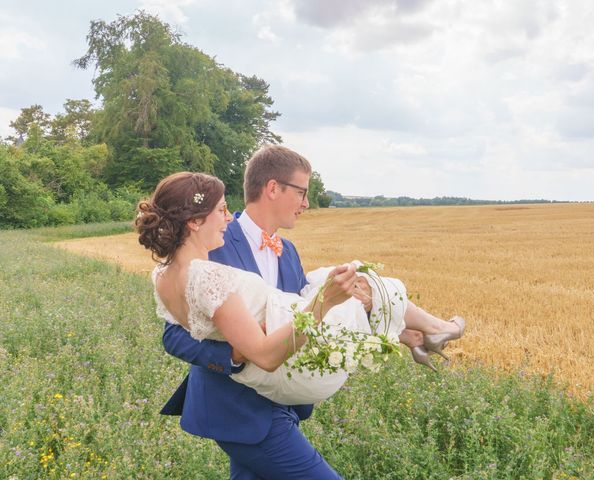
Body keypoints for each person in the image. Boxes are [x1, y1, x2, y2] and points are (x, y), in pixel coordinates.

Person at [149, 146, 464, 479]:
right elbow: (174, 334)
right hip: (237, 409)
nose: (307, 203)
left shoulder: (289, 253)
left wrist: (389, 330)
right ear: (273, 188)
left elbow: (296, 316)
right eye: (301, 192)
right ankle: (433, 328)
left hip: (282, 402)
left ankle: (418, 329)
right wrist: (235, 355)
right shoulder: (211, 246)